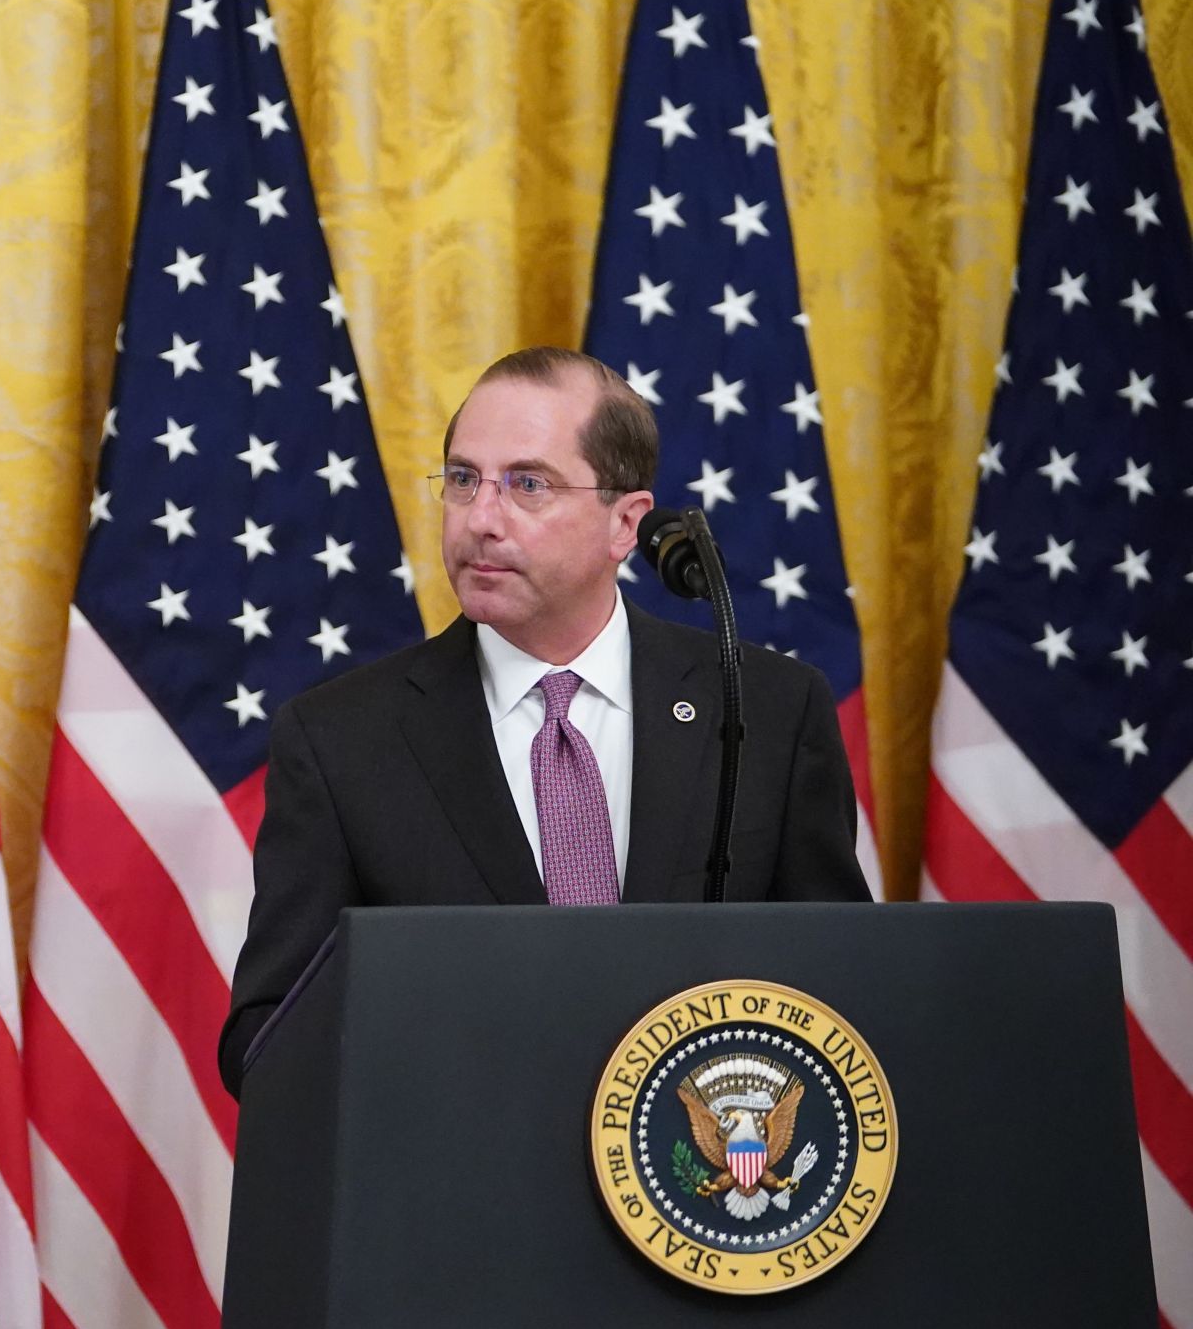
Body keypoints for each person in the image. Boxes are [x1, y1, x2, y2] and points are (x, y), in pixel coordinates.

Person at [218, 347, 872, 1098]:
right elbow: (265, 1041)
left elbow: (839, 996)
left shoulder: (769, 711)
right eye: (463, 480)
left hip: (706, 1185)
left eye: (528, 484)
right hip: (456, 1189)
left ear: (626, 523)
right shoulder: (339, 739)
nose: (481, 520)